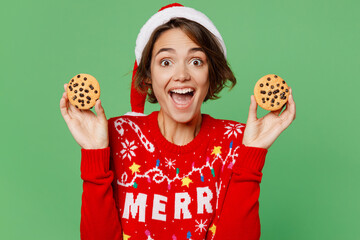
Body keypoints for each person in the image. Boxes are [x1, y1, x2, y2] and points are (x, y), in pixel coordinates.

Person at [60, 3, 296, 240]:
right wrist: (94, 154)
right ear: (148, 76)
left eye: (196, 61)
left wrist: (252, 157)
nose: (182, 75)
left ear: (210, 74)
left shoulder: (236, 141)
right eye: (166, 62)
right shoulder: (118, 136)